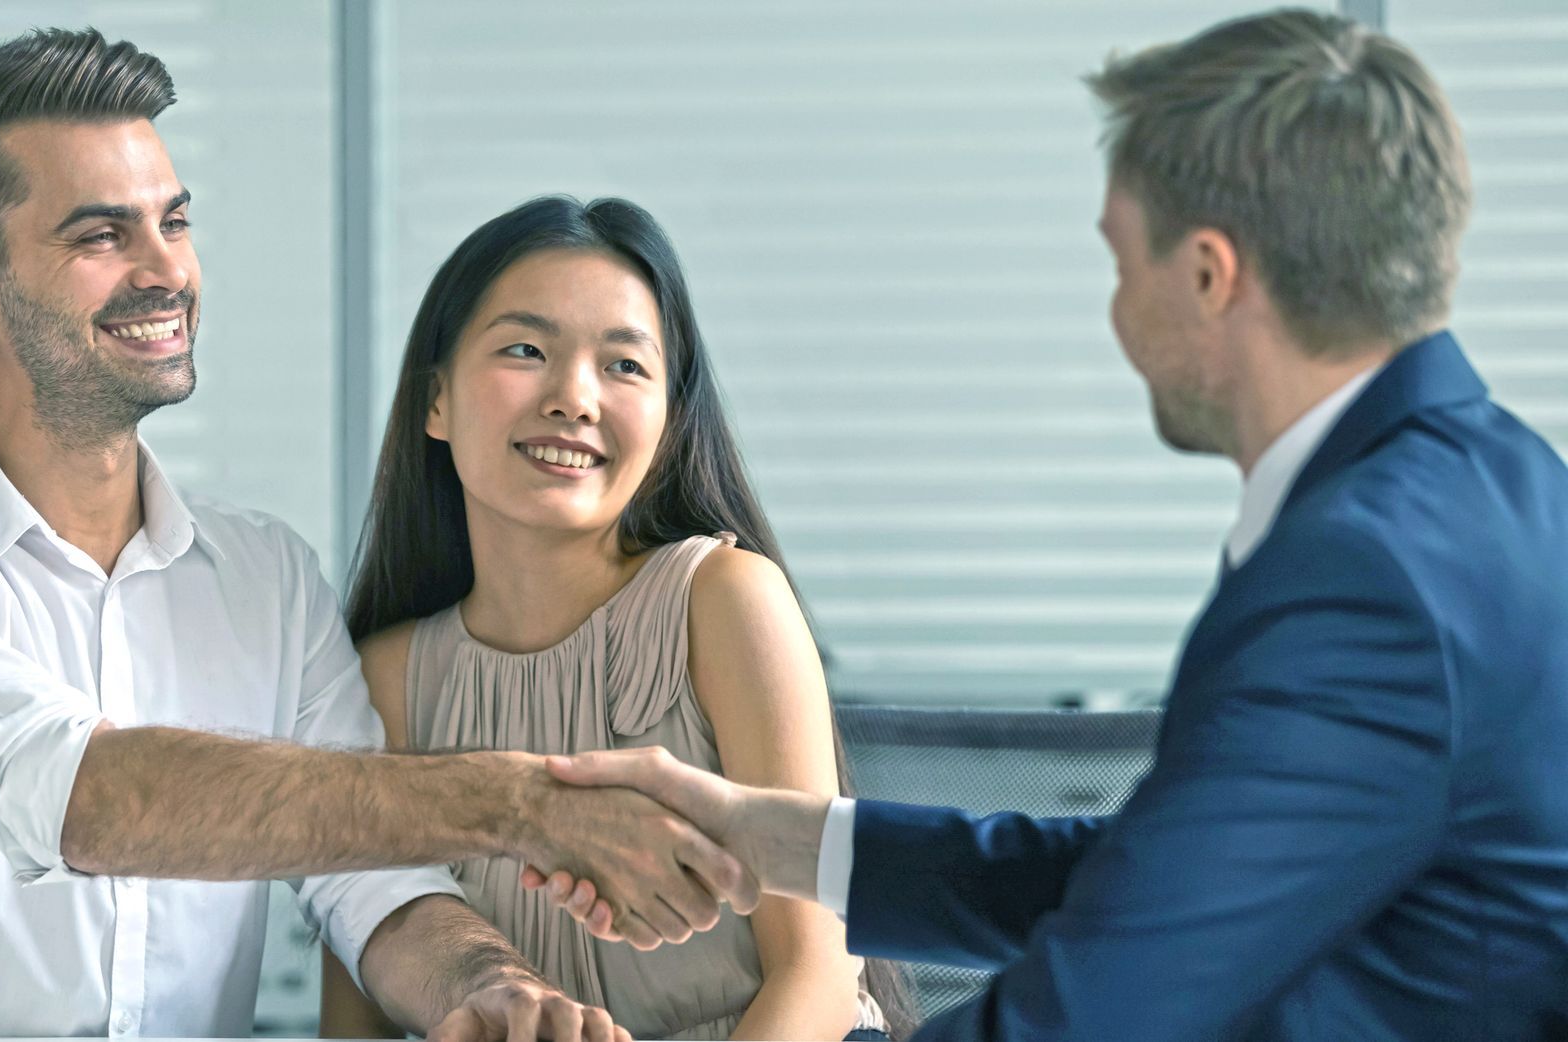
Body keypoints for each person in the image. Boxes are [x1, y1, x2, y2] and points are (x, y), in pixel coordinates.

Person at [527, 9, 1568, 1040]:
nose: (1117, 315)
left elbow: (1095, 1008)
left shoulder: (1365, 574)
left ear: (1209, 275)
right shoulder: (1502, 484)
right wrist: (773, 839)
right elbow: (1169, 877)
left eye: (1123, 265)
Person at [0, 29, 755, 1038]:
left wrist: (482, 985)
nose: (167, 272)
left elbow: (371, 881)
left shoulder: (264, 576)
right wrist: (520, 800)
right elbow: (85, 798)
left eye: (174, 222)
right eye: (101, 237)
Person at [319, 196, 889, 1041]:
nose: (574, 398)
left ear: (667, 421)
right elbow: (355, 1018)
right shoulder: (385, 679)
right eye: (524, 350)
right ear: (435, 401)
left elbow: (817, 974)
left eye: (624, 366)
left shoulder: (724, 601)